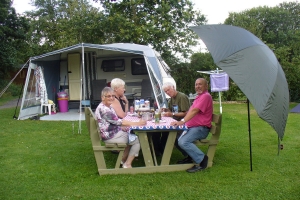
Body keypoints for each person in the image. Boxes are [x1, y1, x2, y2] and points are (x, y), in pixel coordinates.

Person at [95, 87, 146, 168]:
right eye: (108, 96)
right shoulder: (105, 109)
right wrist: (137, 123)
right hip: (110, 136)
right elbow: (120, 121)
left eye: (113, 96)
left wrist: (122, 126)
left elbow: (115, 121)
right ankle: (127, 164)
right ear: (102, 97)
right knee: (136, 140)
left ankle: (122, 160)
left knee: (129, 134)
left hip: (109, 133)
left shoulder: (107, 106)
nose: (111, 98)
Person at [171, 78, 213, 173]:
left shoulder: (206, 96)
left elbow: (194, 111)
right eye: (196, 84)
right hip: (192, 127)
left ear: (206, 86)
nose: (197, 86)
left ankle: (202, 160)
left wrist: (183, 121)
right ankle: (190, 156)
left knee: (183, 142)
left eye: (200, 84)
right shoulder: (199, 96)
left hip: (201, 128)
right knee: (173, 136)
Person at [152, 82, 190, 155]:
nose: (167, 92)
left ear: (173, 87)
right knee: (156, 132)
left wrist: (171, 114)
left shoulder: (181, 97)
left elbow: (186, 113)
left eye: (168, 90)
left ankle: (161, 150)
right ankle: (159, 150)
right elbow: (171, 111)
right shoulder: (171, 99)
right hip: (174, 122)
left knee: (165, 132)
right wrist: (165, 110)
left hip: (183, 123)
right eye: (165, 91)